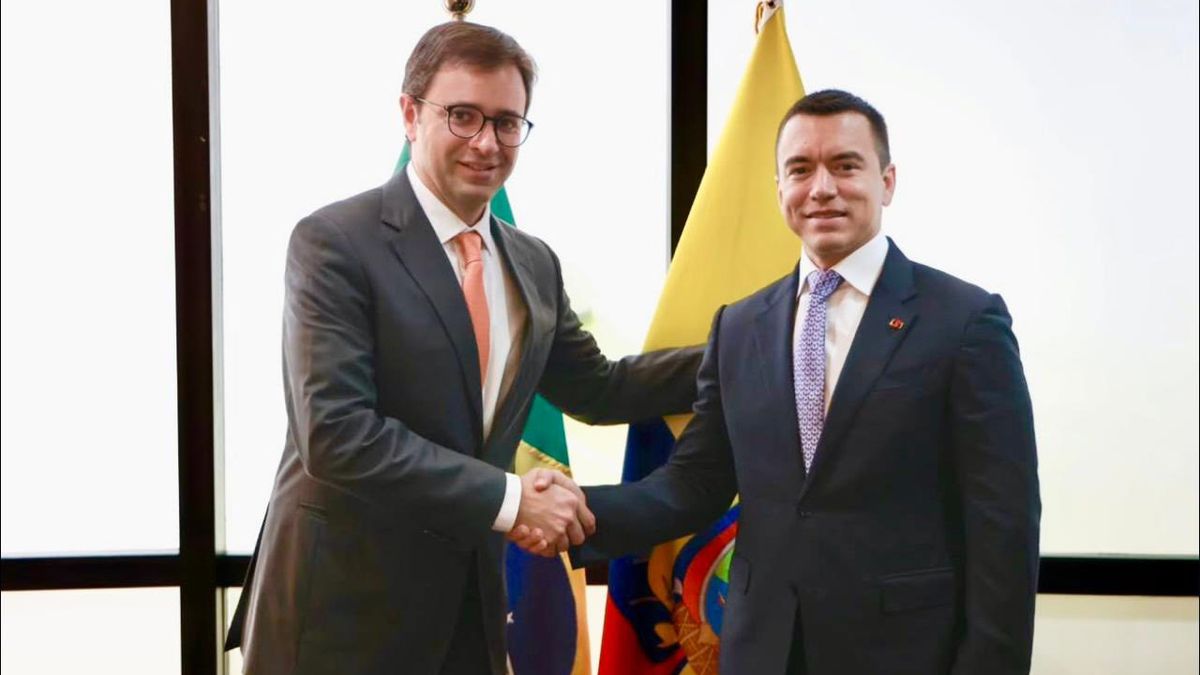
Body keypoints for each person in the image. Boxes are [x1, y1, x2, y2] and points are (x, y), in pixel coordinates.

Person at [224, 22, 702, 675]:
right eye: (463, 116)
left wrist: (749, 345)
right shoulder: (335, 241)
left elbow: (600, 389)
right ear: (409, 114)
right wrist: (513, 499)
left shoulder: (533, 263)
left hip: (470, 610)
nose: (486, 142)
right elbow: (335, 433)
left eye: (507, 123)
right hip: (340, 612)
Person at [542, 89, 1041, 674]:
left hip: (904, 652)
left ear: (887, 182)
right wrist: (572, 512)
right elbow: (694, 484)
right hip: (762, 650)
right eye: (800, 169)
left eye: (845, 166)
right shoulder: (739, 327)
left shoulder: (964, 321)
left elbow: (1003, 522)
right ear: (779, 188)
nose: (822, 188)